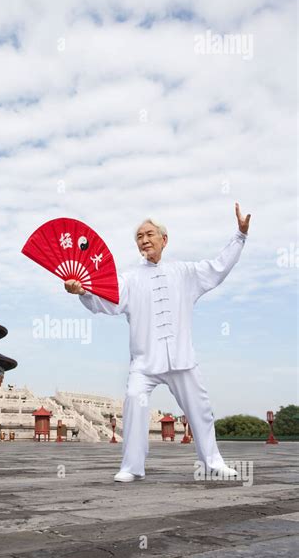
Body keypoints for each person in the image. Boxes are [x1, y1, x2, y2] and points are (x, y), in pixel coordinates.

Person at [65, 202, 251, 482]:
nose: (144, 239)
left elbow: (218, 268)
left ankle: (212, 462)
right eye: (139, 236)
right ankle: (132, 467)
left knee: (200, 410)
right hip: (144, 362)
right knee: (134, 405)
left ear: (164, 239)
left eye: (149, 234)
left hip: (182, 359)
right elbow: (105, 301)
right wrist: (82, 292)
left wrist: (240, 236)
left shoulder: (185, 273)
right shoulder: (129, 279)